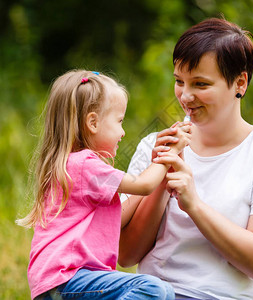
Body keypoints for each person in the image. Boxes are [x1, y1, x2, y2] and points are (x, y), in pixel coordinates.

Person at [119, 18, 253, 299]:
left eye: (201, 84)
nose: (186, 96)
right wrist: (159, 178)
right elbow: (127, 254)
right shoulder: (154, 147)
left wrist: (193, 204)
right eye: (179, 82)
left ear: (239, 82)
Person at [16, 69, 191, 299]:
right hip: (68, 279)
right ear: (93, 122)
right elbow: (144, 185)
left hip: (59, 282)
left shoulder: (74, 166)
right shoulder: (85, 165)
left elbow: (136, 193)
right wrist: (173, 151)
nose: (123, 132)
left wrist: (155, 168)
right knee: (154, 290)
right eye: (119, 121)